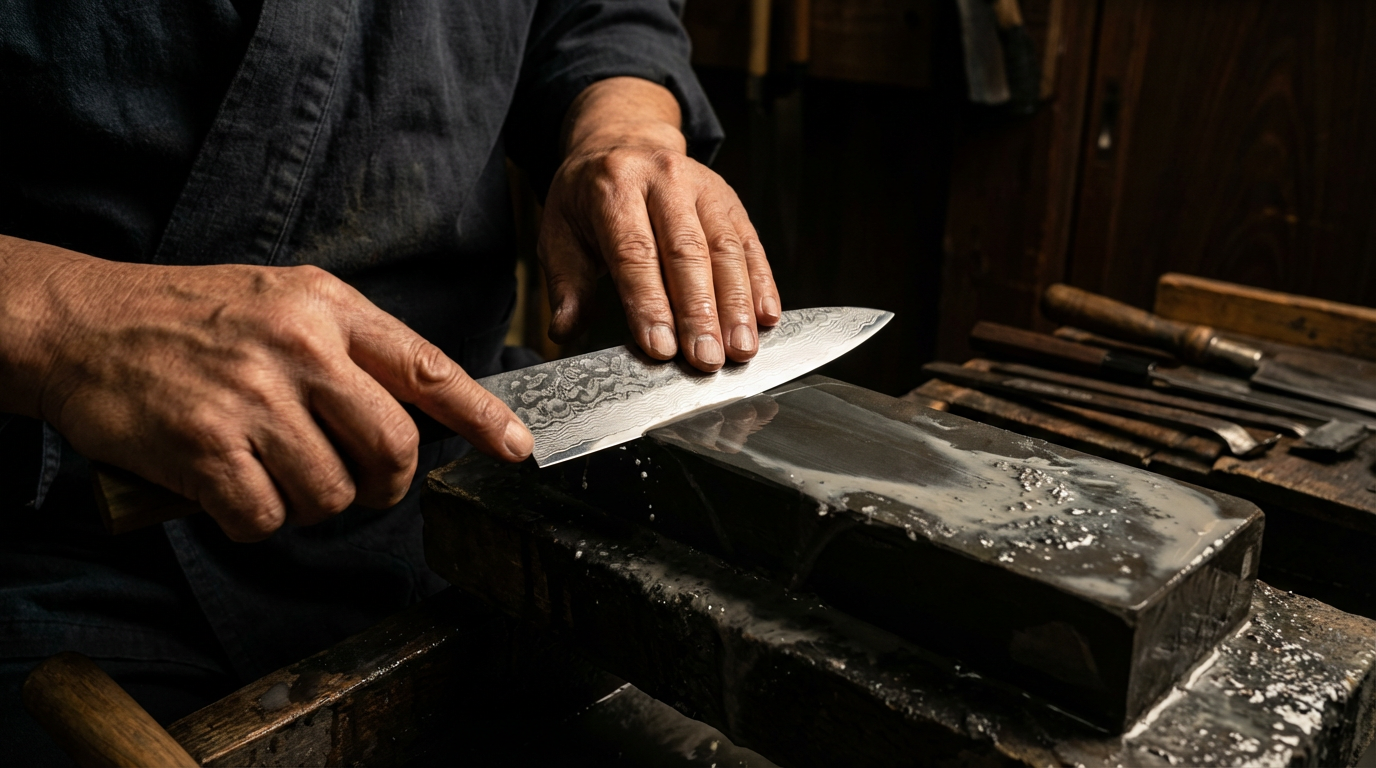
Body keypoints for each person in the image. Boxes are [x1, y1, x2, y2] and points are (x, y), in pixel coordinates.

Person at [0, 0, 778, 760]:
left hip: (458, 482)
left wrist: (623, 124)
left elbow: (599, 13)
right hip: (64, 534)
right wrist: (64, 317)